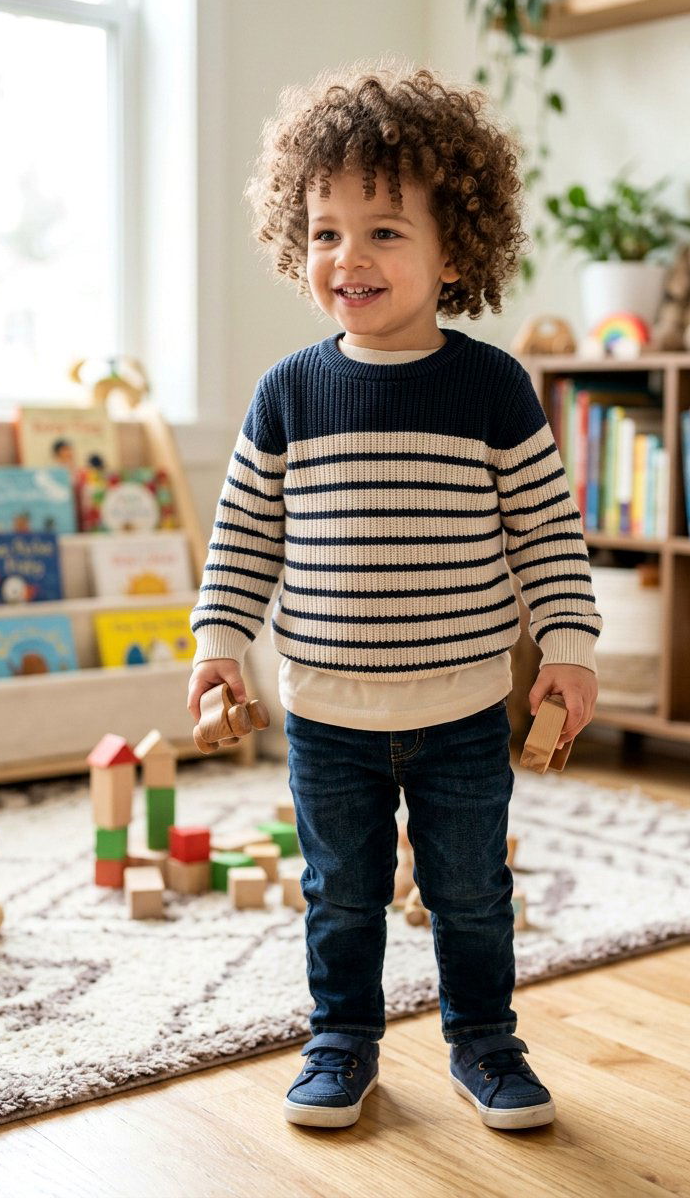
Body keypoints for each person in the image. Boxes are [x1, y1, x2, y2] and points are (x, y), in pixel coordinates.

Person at [186, 57, 602, 1132]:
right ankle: (340, 1040)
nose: (349, 256)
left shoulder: (491, 388)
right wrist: (218, 643)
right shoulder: (287, 393)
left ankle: (485, 1040)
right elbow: (243, 535)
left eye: (383, 229)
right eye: (326, 231)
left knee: (470, 891)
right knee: (341, 893)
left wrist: (567, 648)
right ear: (298, 242)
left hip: (462, 708)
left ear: (453, 246)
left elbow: (546, 533)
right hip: (326, 712)